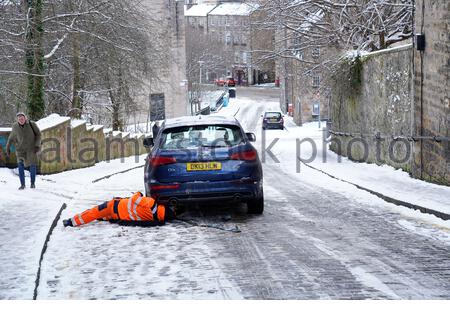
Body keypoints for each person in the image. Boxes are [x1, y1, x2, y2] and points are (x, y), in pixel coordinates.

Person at [63, 191, 176, 227]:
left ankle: (71, 222)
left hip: (114, 205)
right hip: (117, 216)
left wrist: (139, 193)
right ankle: (102, 218)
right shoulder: (153, 219)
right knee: (99, 216)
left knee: (93, 212)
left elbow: (133, 200)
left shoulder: (151, 203)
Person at [5, 112, 41, 190]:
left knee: (32, 166)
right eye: (19, 119)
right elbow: (11, 138)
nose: (21, 120)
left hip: (31, 149)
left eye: (22, 118)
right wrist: (7, 148)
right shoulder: (15, 126)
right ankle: (22, 185)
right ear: (17, 119)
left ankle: (32, 183)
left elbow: (38, 134)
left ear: (25, 118)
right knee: (20, 166)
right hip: (20, 150)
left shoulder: (32, 124)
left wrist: (37, 145)